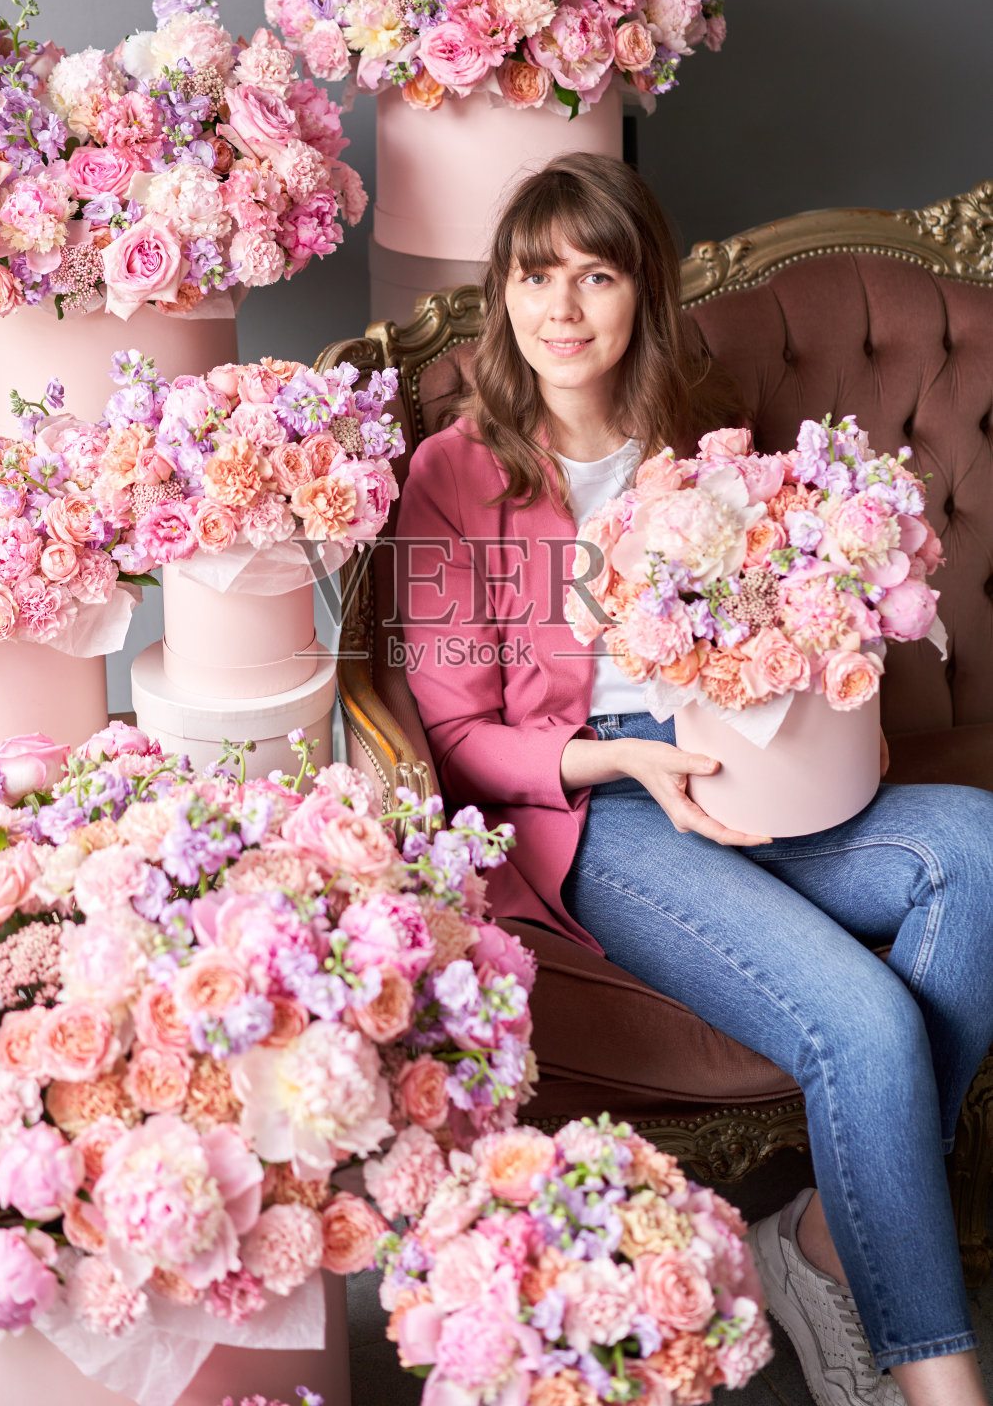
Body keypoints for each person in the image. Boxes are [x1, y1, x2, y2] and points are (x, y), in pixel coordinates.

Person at [395, 153, 993, 1406]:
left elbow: (790, 602)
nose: (560, 308)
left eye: (594, 275)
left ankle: (822, 1242)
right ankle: (941, 1383)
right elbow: (455, 730)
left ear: (641, 290)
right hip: (606, 812)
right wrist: (619, 758)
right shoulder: (459, 470)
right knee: (863, 1022)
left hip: (763, 779)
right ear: (502, 293)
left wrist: (847, 700)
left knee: (976, 852)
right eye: (533, 275)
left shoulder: (699, 427)